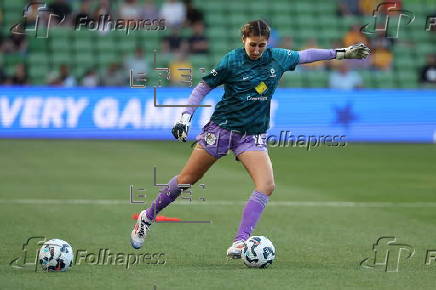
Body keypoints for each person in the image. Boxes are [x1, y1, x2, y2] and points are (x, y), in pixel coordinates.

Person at [130, 20, 370, 258]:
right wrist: (185, 117)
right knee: (187, 179)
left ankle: (240, 242)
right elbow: (203, 88)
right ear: (243, 40)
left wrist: (342, 53)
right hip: (221, 129)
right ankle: (147, 217)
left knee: (267, 185)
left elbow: (306, 55)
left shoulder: (277, 58)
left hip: (252, 135)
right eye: (252, 45)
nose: (256, 50)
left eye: (261, 45)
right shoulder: (231, 60)